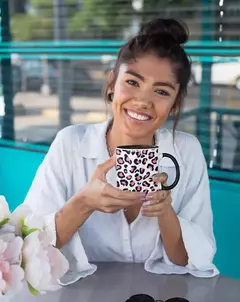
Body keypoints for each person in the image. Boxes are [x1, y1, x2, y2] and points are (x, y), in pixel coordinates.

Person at [24, 18, 219, 285]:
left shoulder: (186, 151)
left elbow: (185, 259)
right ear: (112, 85)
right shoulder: (69, 144)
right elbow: (29, 247)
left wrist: (164, 211)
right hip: (80, 301)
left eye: (161, 91)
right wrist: (83, 204)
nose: (142, 101)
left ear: (175, 103)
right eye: (132, 82)